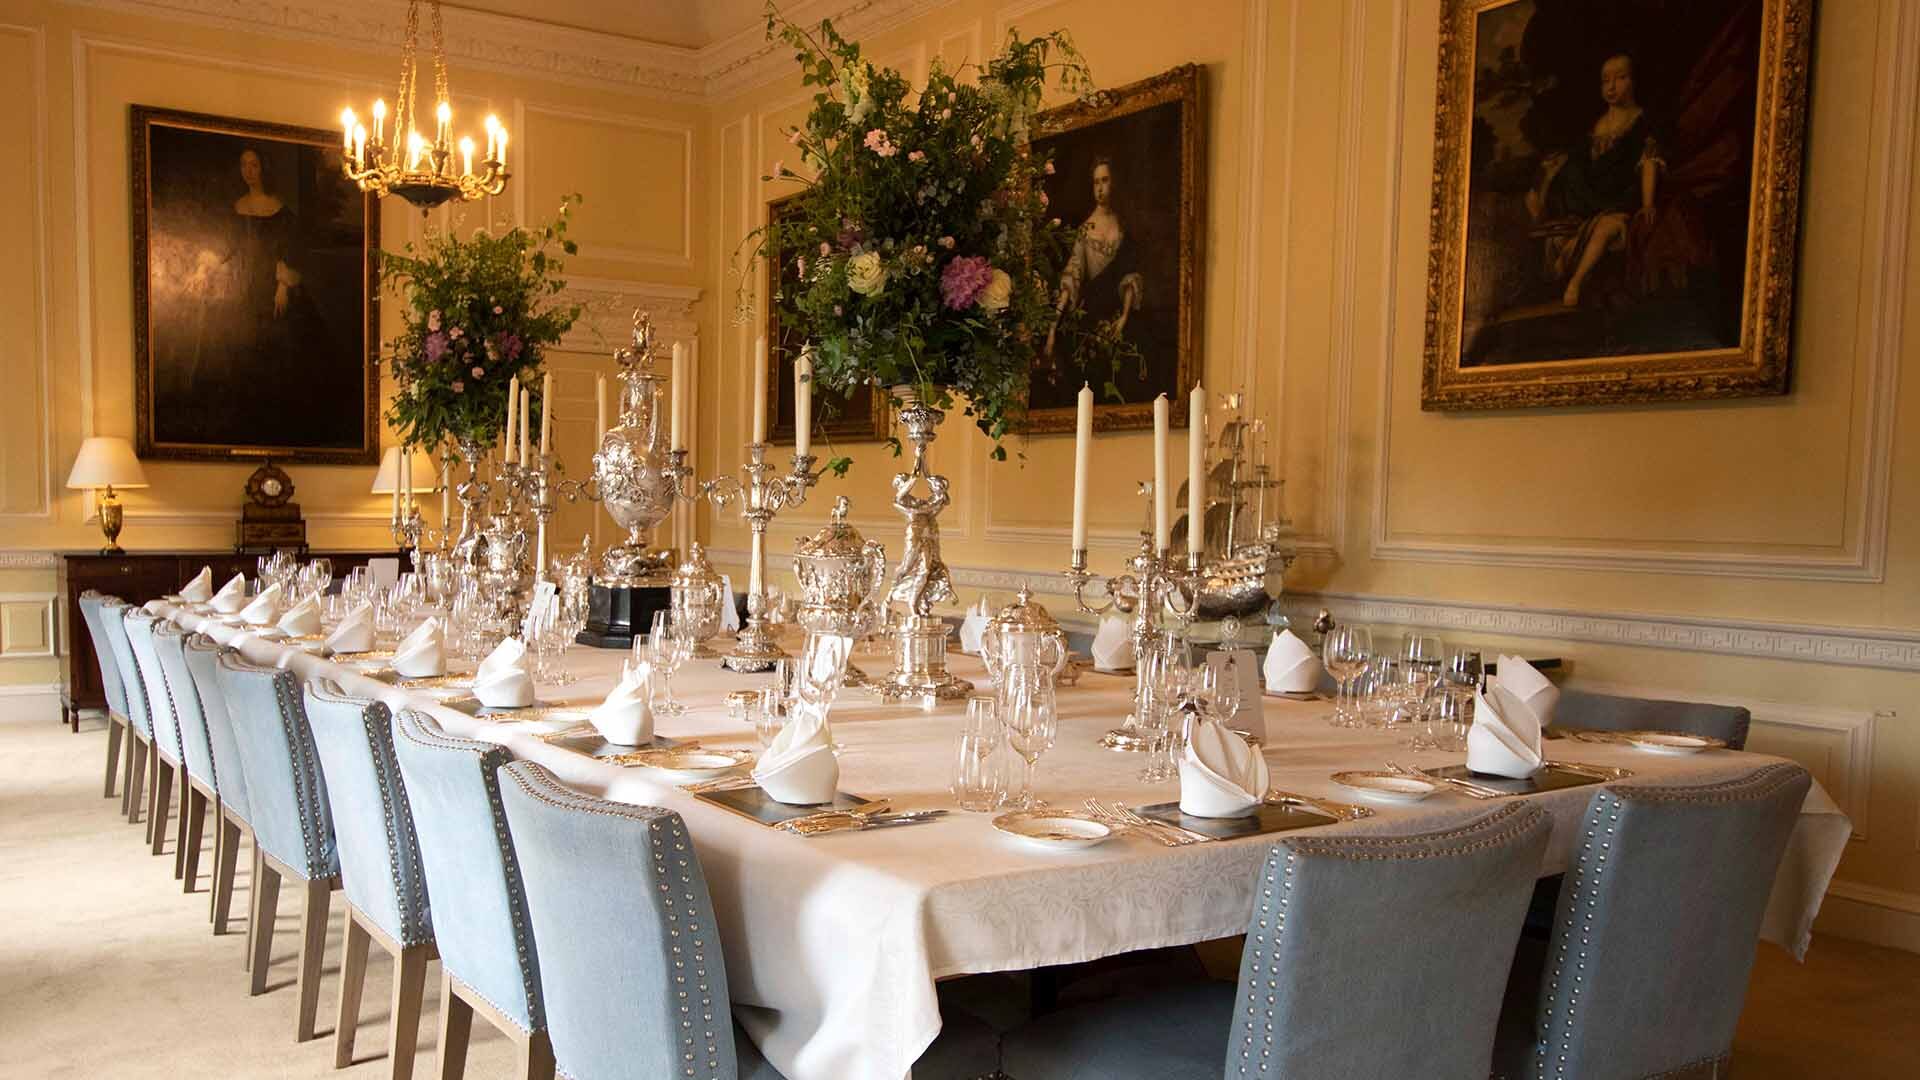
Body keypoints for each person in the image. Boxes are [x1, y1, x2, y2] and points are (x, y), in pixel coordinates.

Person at [1527, 53, 1664, 307]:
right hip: (1588, 199)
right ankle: (1568, 264)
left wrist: (1647, 203)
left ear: (1633, 81)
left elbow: (1649, 163)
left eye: (1620, 78)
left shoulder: (1642, 121)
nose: (1611, 87)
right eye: (1605, 81)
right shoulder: (1596, 125)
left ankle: (1575, 283)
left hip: (1619, 200)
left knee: (1605, 228)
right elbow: (1576, 165)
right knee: (1557, 231)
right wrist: (1543, 182)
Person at [1044, 156, 1145, 362]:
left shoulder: (1123, 225)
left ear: (1113, 182)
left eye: (1105, 180)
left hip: (1117, 317)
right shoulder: (1085, 230)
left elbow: (1128, 275)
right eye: (1096, 182)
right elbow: (1071, 279)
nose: (1100, 188)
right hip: (1091, 314)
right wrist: (1052, 330)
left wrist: (1124, 317)